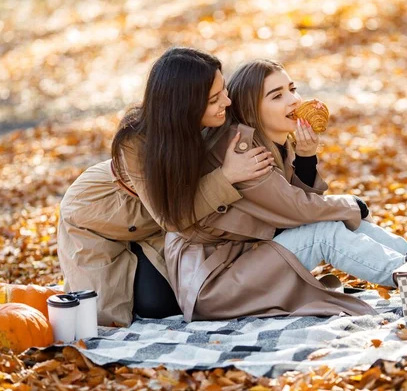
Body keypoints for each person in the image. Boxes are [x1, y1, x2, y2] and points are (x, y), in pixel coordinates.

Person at [164, 59, 407, 322]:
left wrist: (306, 158)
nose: (294, 100)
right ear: (252, 108)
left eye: (292, 89)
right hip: (215, 283)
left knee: (334, 225)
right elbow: (298, 211)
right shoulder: (241, 149)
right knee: (327, 231)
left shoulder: (271, 145)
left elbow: (298, 208)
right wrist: (349, 205)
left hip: (245, 261)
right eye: (277, 95)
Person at [57, 48, 274, 327]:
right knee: (104, 319)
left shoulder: (210, 120)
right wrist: (227, 175)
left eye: (224, 90)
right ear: (184, 106)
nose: (227, 101)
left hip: (154, 223)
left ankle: (139, 263)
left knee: (174, 300)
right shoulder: (135, 142)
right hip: (98, 218)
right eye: (214, 99)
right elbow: (171, 217)